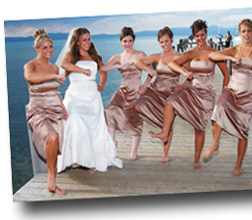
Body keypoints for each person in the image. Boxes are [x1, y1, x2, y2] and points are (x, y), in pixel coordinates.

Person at [149, 20, 230, 169]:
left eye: (202, 35)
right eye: (197, 36)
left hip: (207, 94)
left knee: (199, 129)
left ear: (206, 34)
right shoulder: (191, 53)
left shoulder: (214, 53)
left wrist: (224, 93)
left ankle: (197, 160)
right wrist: (185, 73)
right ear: (193, 37)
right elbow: (173, 64)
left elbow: (226, 74)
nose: (200, 38)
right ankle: (165, 133)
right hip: (192, 90)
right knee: (170, 101)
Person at [203, 19, 252, 176]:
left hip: (248, 94)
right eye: (243, 31)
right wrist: (230, 58)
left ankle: (238, 164)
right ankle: (215, 143)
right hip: (232, 89)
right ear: (239, 32)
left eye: (249, 31)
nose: (246, 34)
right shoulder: (235, 49)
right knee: (219, 107)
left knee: (242, 131)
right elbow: (212, 55)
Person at [57, 27, 123, 173]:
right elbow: (63, 65)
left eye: (89, 39)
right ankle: (75, 158)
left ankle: (89, 161)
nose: (88, 42)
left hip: (92, 96)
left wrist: (102, 85)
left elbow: (103, 71)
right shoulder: (70, 56)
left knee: (93, 128)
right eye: (84, 40)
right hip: (75, 95)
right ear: (78, 42)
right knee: (75, 120)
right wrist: (83, 71)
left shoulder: (94, 56)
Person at [134, 26, 189, 163]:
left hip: (169, 94)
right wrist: (149, 70)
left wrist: (182, 86)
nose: (164, 44)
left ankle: (165, 153)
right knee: (138, 106)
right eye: (161, 42)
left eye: (166, 41)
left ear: (172, 40)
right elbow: (137, 62)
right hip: (155, 90)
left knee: (168, 123)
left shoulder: (180, 57)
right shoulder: (157, 56)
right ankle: (164, 126)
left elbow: (191, 74)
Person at [24, 29, 67, 195]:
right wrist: (54, 77)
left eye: (51, 47)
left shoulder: (55, 67)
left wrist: (63, 107)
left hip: (55, 109)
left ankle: (86, 163)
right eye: (44, 48)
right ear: (37, 49)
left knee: (69, 135)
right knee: (52, 136)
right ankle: (51, 180)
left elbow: (55, 91)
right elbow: (31, 78)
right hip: (38, 110)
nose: (49, 50)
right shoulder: (30, 66)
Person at [101, 27, 146, 161]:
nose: (128, 44)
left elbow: (152, 68)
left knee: (134, 120)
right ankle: (112, 141)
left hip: (136, 90)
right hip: (123, 90)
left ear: (134, 40)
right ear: (121, 42)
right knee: (108, 110)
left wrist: (145, 85)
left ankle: (133, 151)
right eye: (125, 41)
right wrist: (115, 66)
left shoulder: (141, 55)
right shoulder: (118, 57)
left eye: (130, 41)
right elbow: (102, 68)